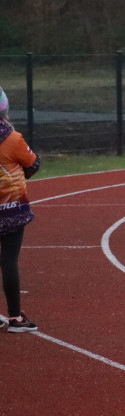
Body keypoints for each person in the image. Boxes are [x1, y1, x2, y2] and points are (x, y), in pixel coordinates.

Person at [0, 87, 40, 333]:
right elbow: (33, 162)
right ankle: (15, 317)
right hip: (12, 210)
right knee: (9, 260)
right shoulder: (12, 139)